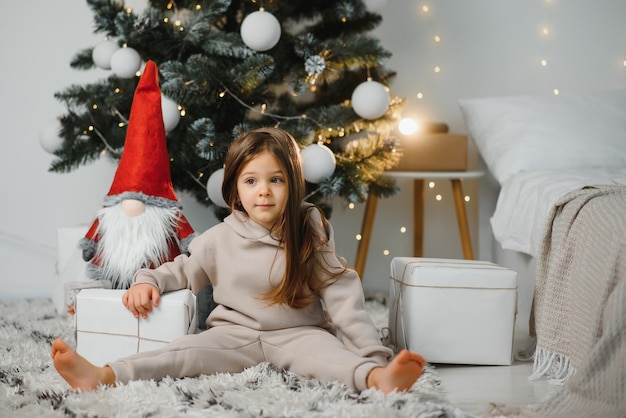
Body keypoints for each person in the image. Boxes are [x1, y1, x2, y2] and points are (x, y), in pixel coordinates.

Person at [51, 126, 426, 394]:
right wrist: (147, 280)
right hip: (235, 334)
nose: (263, 190)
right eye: (251, 181)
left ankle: (380, 380)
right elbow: (183, 269)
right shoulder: (219, 238)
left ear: (293, 184)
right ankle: (102, 376)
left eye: (276, 180)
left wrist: (374, 358)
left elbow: (343, 295)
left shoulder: (308, 228)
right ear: (235, 189)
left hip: (300, 332)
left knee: (332, 360)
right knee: (178, 355)